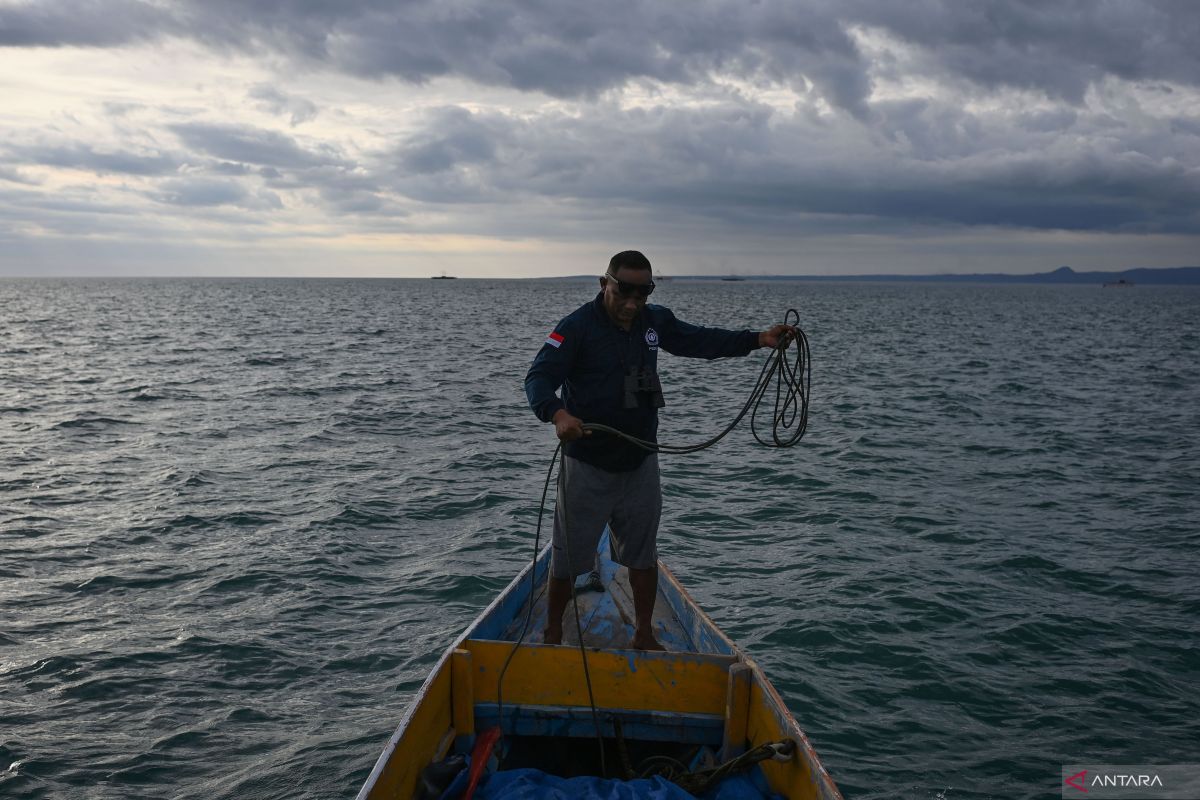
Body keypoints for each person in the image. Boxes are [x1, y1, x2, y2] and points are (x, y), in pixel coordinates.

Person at [524, 250, 795, 650]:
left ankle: (644, 633)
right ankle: (551, 634)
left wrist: (757, 340)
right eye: (624, 290)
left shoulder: (654, 321)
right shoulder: (576, 327)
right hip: (588, 465)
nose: (633, 301)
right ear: (605, 284)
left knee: (643, 555)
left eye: (643, 292)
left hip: (640, 462)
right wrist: (558, 414)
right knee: (567, 559)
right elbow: (538, 377)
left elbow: (698, 339)